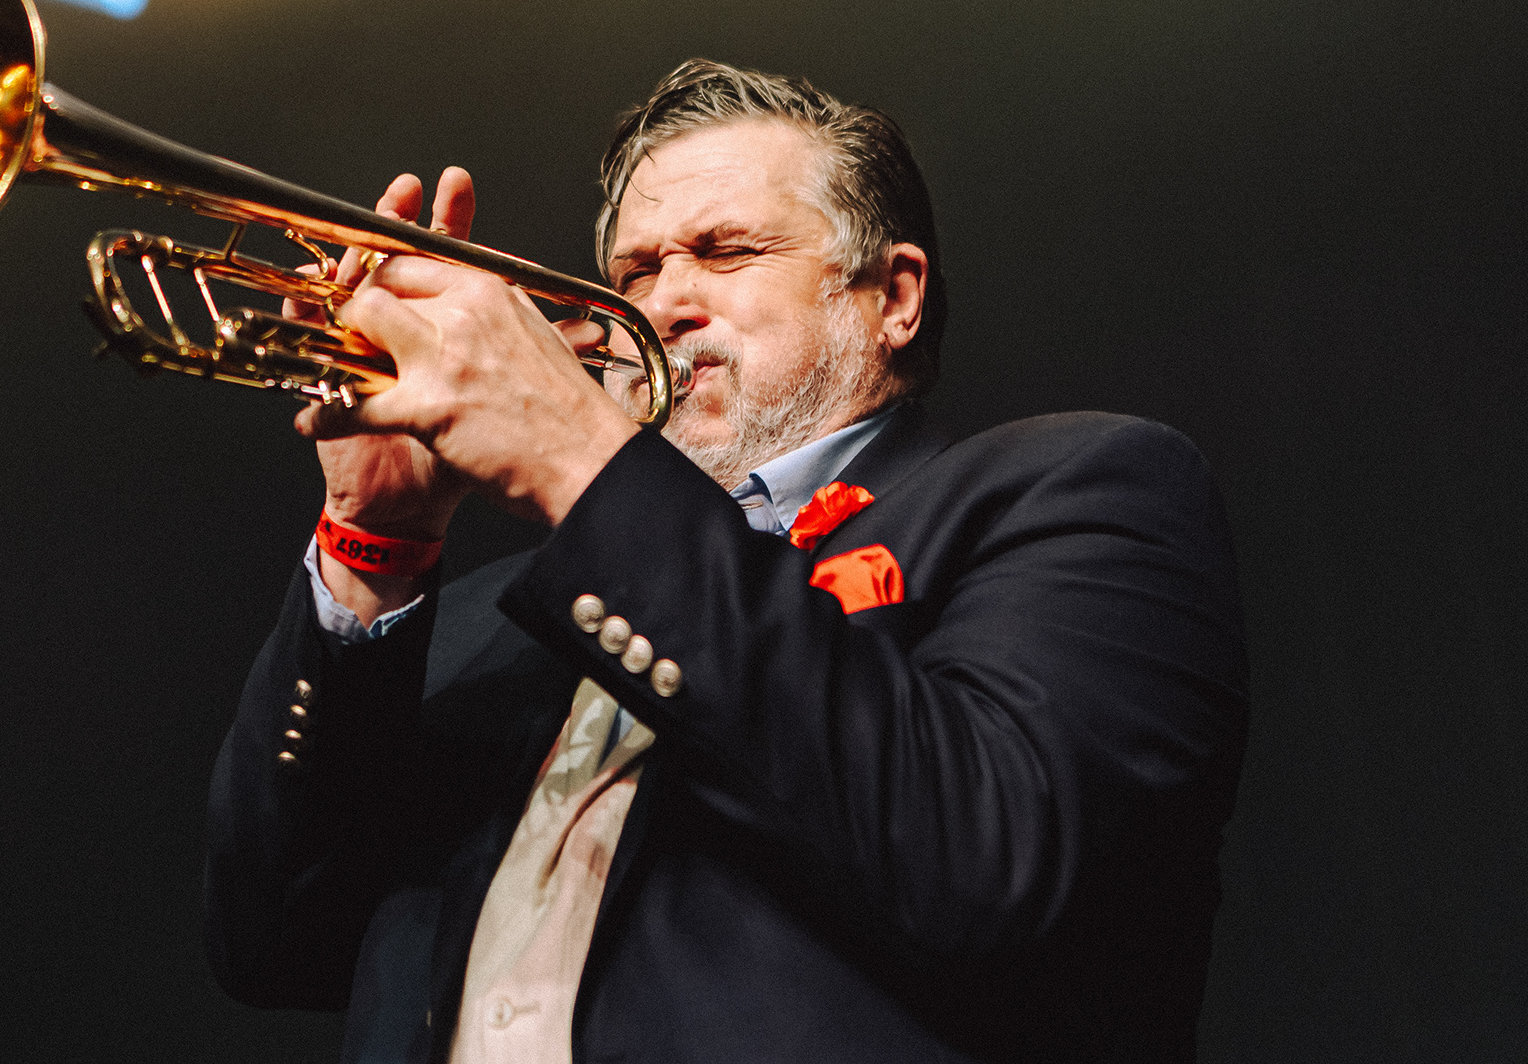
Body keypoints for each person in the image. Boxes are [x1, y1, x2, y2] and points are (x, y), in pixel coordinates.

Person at [204, 61, 1249, 1064]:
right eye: (636, 270)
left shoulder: (1080, 490)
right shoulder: (499, 619)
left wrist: (580, 457)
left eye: (726, 251)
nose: (665, 303)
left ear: (894, 297)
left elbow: (991, 864)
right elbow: (274, 942)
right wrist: (376, 541)